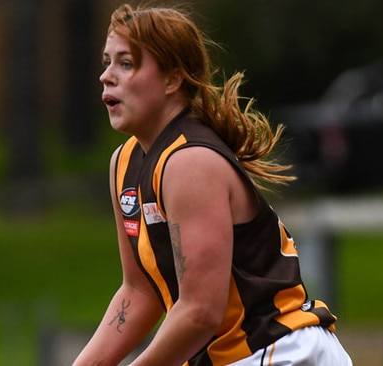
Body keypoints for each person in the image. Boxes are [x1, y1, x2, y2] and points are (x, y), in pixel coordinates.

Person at [73, 3, 352, 366]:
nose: (106, 76)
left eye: (126, 63)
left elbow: (200, 312)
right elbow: (140, 290)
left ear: (173, 79)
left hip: (279, 352)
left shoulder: (190, 163)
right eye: (106, 62)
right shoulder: (124, 163)